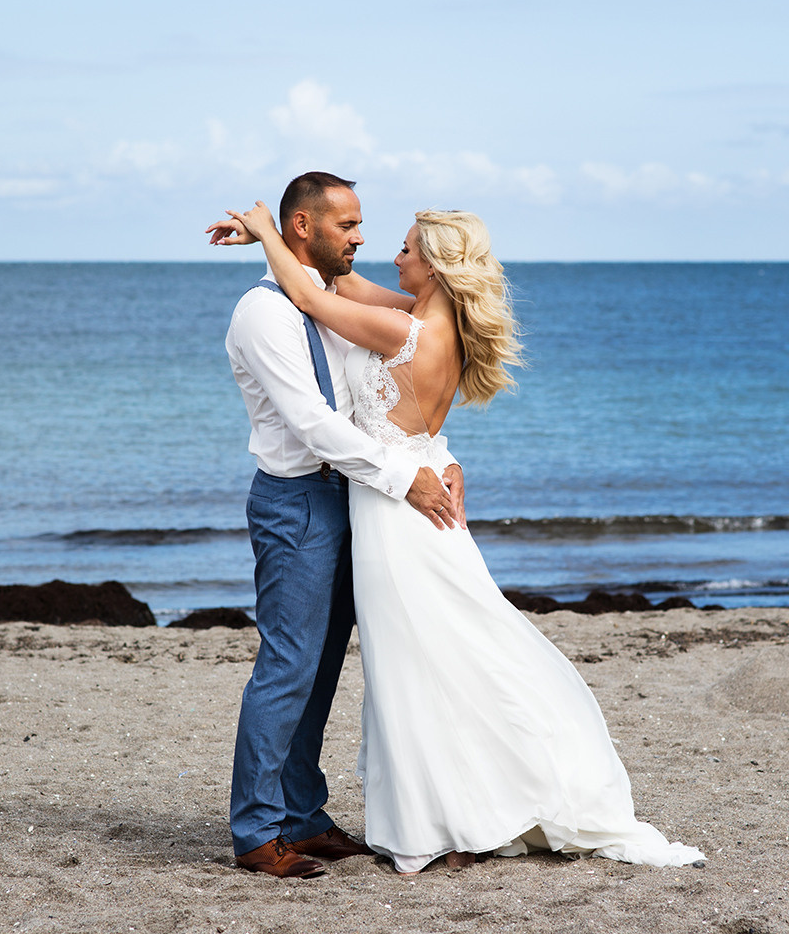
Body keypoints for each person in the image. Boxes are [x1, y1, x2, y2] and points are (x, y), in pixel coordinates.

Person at [220, 195, 705, 875]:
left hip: (395, 512)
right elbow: (328, 291)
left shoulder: (407, 329)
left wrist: (265, 228)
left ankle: (431, 817)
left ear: (438, 267)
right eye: (358, 228)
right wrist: (437, 457)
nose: (388, 250)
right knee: (417, 658)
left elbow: (315, 294)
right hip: (385, 498)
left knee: (414, 666)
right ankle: (339, 819)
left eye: (408, 248)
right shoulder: (412, 315)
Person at [206, 172, 465, 880]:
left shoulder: (323, 299)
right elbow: (315, 424)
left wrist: (435, 460)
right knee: (287, 664)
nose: (360, 238)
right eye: (346, 226)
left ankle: (302, 816)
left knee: (320, 670)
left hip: (352, 503)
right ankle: (258, 834)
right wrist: (400, 476)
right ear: (302, 227)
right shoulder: (264, 315)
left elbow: (385, 398)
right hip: (297, 504)